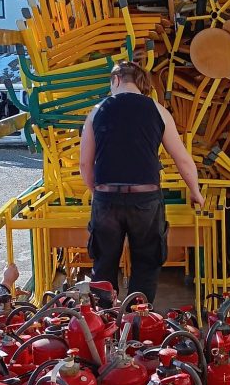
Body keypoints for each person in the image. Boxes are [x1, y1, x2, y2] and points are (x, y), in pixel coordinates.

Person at [79, 61, 205, 303]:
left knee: (104, 266)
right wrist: (195, 191)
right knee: (146, 264)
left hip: (107, 199)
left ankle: (104, 319)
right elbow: (182, 159)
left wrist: (98, 193)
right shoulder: (158, 111)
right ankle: (138, 319)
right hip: (145, 201)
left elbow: (85, 164)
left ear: (116, 80)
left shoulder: (97, 111)